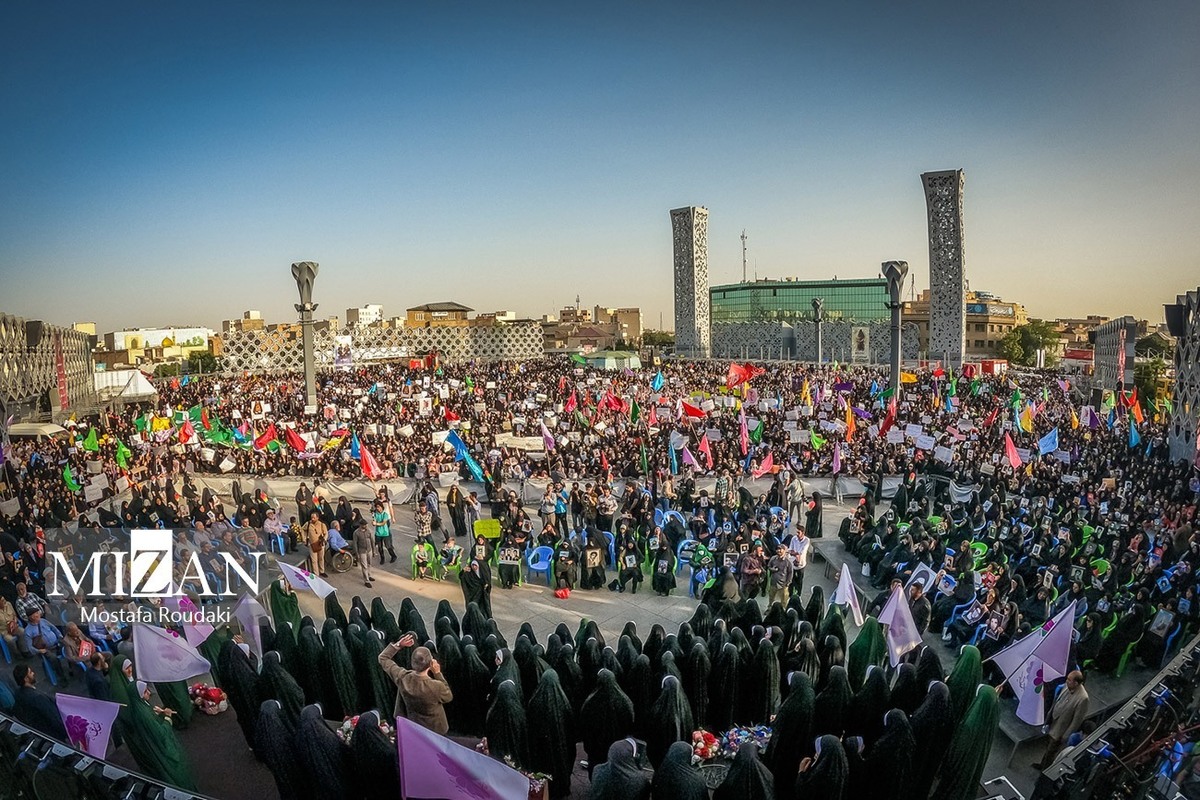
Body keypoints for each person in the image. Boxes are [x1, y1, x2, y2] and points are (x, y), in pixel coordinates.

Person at [378, 633, 453, 733]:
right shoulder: (436, 686)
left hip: (414, 724)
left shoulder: (402, 677)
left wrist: (398, 645)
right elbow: (448, 696)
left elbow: (383, 658)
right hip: (435, 727)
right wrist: (438, 673)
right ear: (430, 664)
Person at [1035, 671, 1089, 769]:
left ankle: (1045, 770)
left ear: (1076, 683)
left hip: (1061, 729)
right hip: (1053, 721)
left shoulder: (1083, 698)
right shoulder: (1067, 686)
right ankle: (1042, 764)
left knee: (1051, 750)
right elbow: (1057, 700)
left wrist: (1066, 735)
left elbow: (1077, 720)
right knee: (1048, 747)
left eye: (1069, 680)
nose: (1067, 681)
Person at [11, 664, 68, 741]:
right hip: (53, 734)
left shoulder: (18, 694)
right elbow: (54, 718)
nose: (33, 673)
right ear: (26, 679)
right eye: (30, 672)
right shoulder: (38, 698)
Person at [352, 511, 375, 588]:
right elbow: (355, 543)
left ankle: (369, 575)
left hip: (369, 550)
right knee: (364, 566)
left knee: (369, 564)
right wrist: (356, 553)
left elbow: (372, 540)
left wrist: (374, 550)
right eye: (364, 525)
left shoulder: (369, 531)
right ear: (361, 525)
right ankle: (366, 580)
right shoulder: (356, 533)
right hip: (361, 551)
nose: (365, 526)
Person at [304, 510, 329, 577]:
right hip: (312, 544)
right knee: (314, 560)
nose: (312, 519)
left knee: (321, 558)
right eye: (311, 517)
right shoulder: (308, 524)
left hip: (320, 544)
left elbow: (326, 533)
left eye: (314, 518)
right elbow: (303, 530)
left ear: (317, 518)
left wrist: (324, 539)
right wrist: (305, 538)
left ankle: (322, 571)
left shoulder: (322, 525)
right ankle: (316, 573)